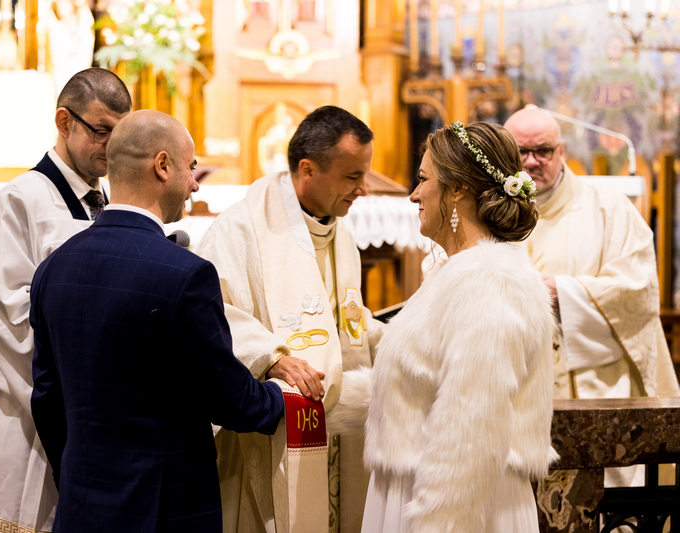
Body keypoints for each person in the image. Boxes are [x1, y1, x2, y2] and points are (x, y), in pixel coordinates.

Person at [29, 109, 285, 532]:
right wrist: (284, 396)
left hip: (81, 507)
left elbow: (47, 400)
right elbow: (230, 401)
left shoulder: (53, 268)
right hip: (165, 512)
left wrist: (76, 480)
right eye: (191, 167)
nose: (194, 183)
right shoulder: (186, 275)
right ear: (162, 165)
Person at [350, 121, 555, 531]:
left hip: (452, 505)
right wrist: (323, 400)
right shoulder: (456, 273)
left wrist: (439, 522)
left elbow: (473, 432)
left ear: (458, 188)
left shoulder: (489, 281)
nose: (414, 194)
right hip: (419, 486)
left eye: (423, 179)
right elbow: (421, 386)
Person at [196, 105, 385, 533]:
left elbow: (347, 319)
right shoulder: (242, 229)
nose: (363, 189)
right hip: (268, 431)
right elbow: (211, 312)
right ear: (308, 170)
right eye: (352, 176)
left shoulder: (341, 233)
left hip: (337, 429)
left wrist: (397, 341)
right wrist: (272, 355)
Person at [0, 68, 131, 532]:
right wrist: (88, 378)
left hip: (93, 415)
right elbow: (4, 324)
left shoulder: (110, 204)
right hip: (31, 415)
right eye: (101, 131)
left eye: (120, 134)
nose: (111, 146)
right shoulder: (19, 202)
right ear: (64, 121)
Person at [503, 107, 680, 401]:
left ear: (561, 151)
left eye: (543, 150)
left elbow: (638, 289)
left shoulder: (609, 208)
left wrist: (562, 291)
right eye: (521, 151)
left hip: (593, 386)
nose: (531, 161)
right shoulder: (486, 214)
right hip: (511, 385)